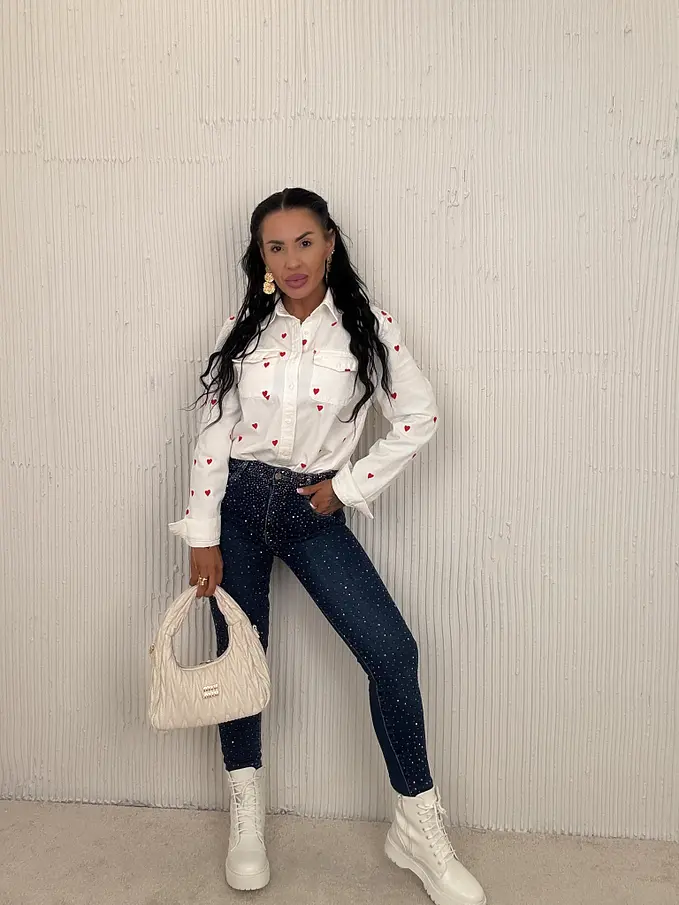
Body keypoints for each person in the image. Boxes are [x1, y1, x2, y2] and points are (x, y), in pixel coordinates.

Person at [169, 188, 486, 905]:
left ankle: (416, 825)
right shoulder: (243, 329)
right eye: (275, 247)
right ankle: (245, 816)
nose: (292, 260)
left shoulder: (367, 327)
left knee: (391, 651)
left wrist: (346, 486)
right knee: (240, 661)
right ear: (261, 256)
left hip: (311, 509)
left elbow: (420, 416)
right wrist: (202, 531)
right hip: (238, 504)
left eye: (304, 242)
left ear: (330, 242)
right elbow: (214, 432)